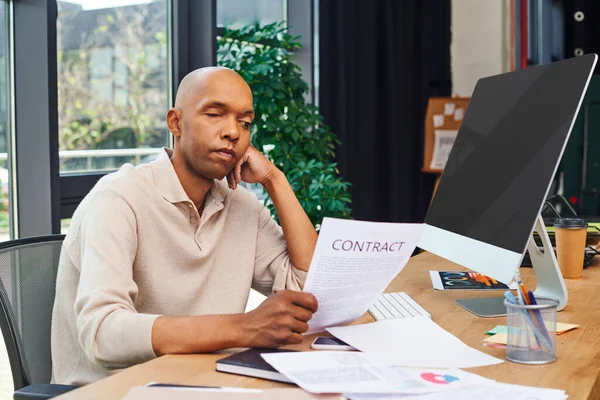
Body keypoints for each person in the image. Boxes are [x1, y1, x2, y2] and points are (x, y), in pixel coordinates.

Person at [51, 67, 319, 385]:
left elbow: (308, 290)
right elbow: (102, 333)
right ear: (175, 122)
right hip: (117, 391)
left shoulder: (242, 206)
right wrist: (245, 328)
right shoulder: (118, 199)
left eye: (245, 122)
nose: (233, 132)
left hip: (206, 382)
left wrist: (275, 180)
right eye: (215, 114)